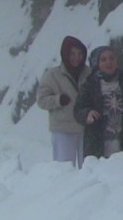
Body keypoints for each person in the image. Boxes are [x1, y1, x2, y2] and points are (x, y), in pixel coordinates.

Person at [75, 45, 123, 164]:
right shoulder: (89, 85)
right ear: (96, 63)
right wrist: (87, 113)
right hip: (98, 144)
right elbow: (77, 110)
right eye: (103, 59)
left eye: (112, 58)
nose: (109, 62)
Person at [35, 35, 90, 168]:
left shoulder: (89, 73)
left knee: (89, 169)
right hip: (63, 130)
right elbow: (41, 100)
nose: (76, 57)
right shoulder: (53, 75)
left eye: (79, 54)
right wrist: (58, 100)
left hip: (86, 129)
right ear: (65, 54)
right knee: (64, 169)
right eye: (72, 54)